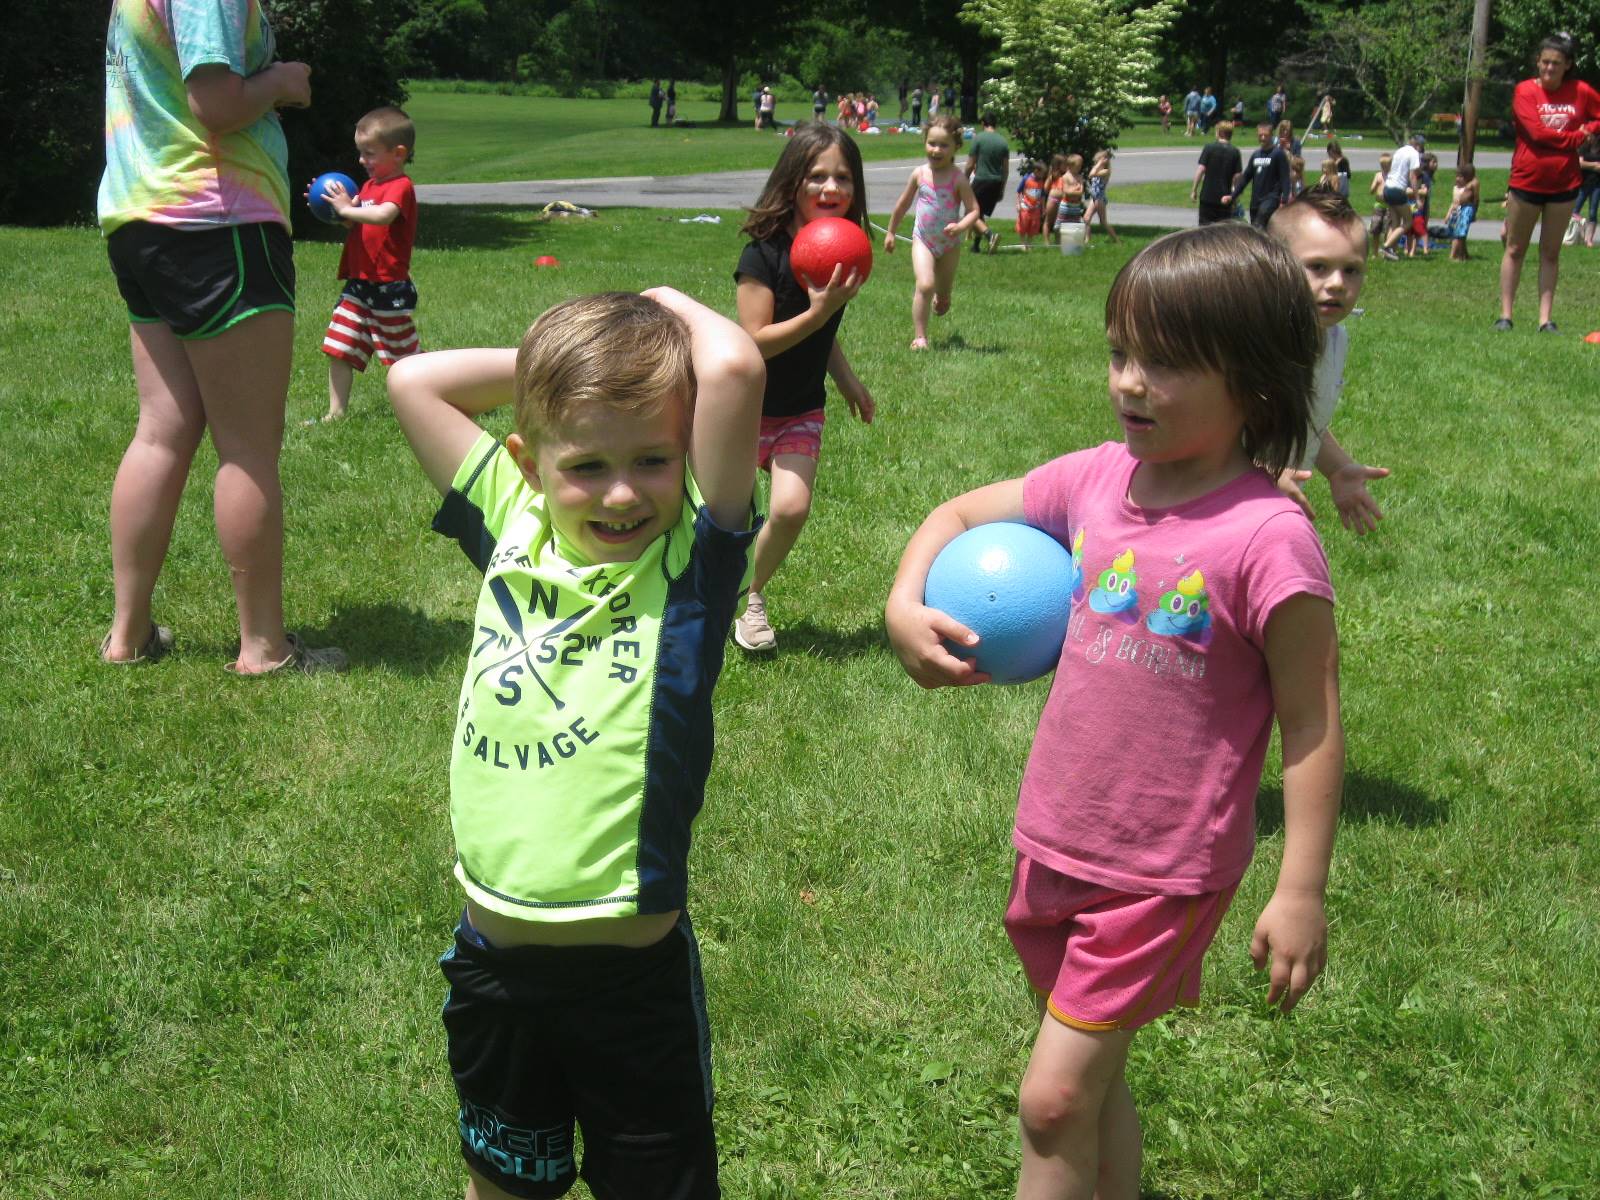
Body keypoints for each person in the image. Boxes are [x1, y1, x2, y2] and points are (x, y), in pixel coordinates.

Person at [885, 222, 1342, 1200]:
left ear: (1254, 384)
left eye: (1166, 363)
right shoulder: (1096, 481)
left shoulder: (1269, 540)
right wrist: (902, 602)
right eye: (1120, 352)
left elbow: (1309, 722)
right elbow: (957, 516)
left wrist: (1298, 888)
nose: (1130, 381)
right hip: (1053, 839)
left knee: (1051, 1101)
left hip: (1160, 869)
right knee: (1088, 1086)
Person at [386, 287, 762, 1200]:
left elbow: (737, 367)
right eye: (587, 462)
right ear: (528, 458)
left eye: (654, 459)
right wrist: (562, 369)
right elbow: (412, 380)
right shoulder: (513, 521)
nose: (624, 491)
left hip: (629, 989)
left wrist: (656, 306)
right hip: (494, 967)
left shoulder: (687, 567)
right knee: (503, 1183)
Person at [98, 0, 345, 674]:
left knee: (161, 429)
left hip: (141, 213)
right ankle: (265, 648)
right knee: (248, 447)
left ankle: (128, 636)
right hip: (217, 221)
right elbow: (215, 101)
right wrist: (284, 82)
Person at [732, 125, 874, 652]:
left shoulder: (840, 254)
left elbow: (824, 336)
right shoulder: (762, 256)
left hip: (799, 409)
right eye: (817, 176)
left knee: (790, 509)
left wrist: (848, 381)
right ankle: (704, 590)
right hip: (742, 409)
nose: (830, 187)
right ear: (793, 181)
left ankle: (749, 595)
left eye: (842, 177)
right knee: (727, 522)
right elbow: (756, 343)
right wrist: (818, 313)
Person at [1269, 189, 1391, 536]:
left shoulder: (1334, 339)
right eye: (1318, 267)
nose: (1337, 284)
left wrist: (1337, 469)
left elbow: (1307, 420)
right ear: (1275, 264)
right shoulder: (1258, 339)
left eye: (1352, 270)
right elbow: (1211, 425)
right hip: (1216, 505)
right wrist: (1261, 472)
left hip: (1269, 508)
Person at [312, 106, 420, 423]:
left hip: (389, 287)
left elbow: (383, 216)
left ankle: (440, 391)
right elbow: (359, 224)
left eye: (369, 153)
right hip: (359, 283)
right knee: (339, 345)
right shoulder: (368, 188)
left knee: (404, 360)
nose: (362, 160)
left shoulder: (400, 186)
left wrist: (348, 209)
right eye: (361, 153)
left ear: (398, 153)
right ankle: (336, 413)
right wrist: (333, 210)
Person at [1497, 33, 1600, 332]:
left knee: (1550, 252)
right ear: (1537, 62)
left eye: (1556, 63)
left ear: (1567, 65)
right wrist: (1577, 138)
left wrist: (1591, 127)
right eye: (1544, 62)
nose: (1549, 69)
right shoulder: (1525, 92)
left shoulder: (1580, 91)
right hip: (1526, 181)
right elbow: (1538, 134)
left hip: (1564, 184)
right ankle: (1506, 315)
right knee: (1515, 249)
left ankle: (1545, 319)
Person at [886, 114, 983, 348]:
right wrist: (891, 232)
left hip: (950, 244)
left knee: (942, 291)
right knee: (925, 284)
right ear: (924, 142)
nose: (936, 150)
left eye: (943, 145)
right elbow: (903, 204)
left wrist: (961, 225)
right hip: (924, 239)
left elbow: (974, 210)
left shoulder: (958, 179)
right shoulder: (919, 174)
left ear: (955, 147)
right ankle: (920, 337)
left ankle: (944, 295)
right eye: (932, 143)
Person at [964, 110, 1010, 253]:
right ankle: (976, 246)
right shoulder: (1003, 142)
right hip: (996, 183)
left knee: (970, 213)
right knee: (980, 213)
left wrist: (964, 179)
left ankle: (990, 235)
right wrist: (1002, 189)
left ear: (983, 123)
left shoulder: (978, 138)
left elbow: (970, 164)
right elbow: (1006, 170)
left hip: (981, 180)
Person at [1235, 123, 1290, 229]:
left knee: (1260, 225)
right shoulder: (1256, 155)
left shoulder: (1278, 154)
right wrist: (1233, 195)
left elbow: (1285, 178)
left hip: (1271, 198)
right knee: (1255, 229)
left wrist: (1284, 199)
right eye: (1260, 135)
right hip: (1256, 199)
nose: (1263, 138)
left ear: (1271, 136)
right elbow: (1246, 177)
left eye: (1266, 135)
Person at [1378, 133, 1424, 259]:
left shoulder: (1399, 151)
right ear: (1417, 145)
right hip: (1398, 190)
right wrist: (1418, 198)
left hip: (1388, 187)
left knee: (1395, 223)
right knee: (1408, 221)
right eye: (1421, 146)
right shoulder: (1414, 154)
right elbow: (1413, 177)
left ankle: (1390, 252)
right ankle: (1387, 246)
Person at [1191, 120, 1241, 225]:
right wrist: (1235, 196)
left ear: (1220, 133)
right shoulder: (1235, 152)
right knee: (1222, 230)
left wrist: (1194, 189)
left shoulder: (1209, 148)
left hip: (1208, 195)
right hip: (1225, 197)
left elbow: (1201, 169)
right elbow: (1237, 177)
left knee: (1205, 229)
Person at [1045, 153, 1087, 243]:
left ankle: (1074, 242)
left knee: (1075, 223)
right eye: (1078, 166)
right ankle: (1052, 241)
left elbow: (1081, 192)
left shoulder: (1077, 176)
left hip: (1072, 204)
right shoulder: (1060, 176)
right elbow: (1066, 192)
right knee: (1054, 223)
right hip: (1060, 202)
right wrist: (1075, 189)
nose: (1080, 168)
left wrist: (1073, 191)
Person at [1010, 158, 1048, 250]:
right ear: (1036, 171)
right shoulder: (1026, 178)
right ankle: (1023, 243)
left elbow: (1042, 196)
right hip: (1025, 207)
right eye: (1042, 173)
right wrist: (1018, 204)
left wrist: (1043, 208)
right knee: (1023, 225)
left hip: (1036, 209)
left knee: (1034, 226)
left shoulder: (1041, 181)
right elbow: (1018, 192)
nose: (1043, 175)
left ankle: (1029, 242)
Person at [1083, 149, 1119, 246]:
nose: (1097, 162)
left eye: (1100, 159)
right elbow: (1092, 173)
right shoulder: (1097, 169)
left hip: (1100, 198)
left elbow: (1091, 175)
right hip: (1094, 198)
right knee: (1086, 218)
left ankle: (1117, 240)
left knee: (1103, 222)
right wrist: (1098, 164)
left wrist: (1099, 164)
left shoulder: (1106, 171)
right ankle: (1087, 239)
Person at [1445, 164, 1481, 262]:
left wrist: (1474, 211)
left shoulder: (1474, 183)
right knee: (1459, 231)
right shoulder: (1468, 182)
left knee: (1461, 233)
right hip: (1462, 207)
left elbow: (1476, 198)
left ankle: (1460, 256)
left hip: (1468, 208)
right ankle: (1464, 254)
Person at [1367, 152, 1393, 252]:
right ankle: (1375, 252)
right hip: (1378, 205)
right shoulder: (1378, 175)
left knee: (1387, 229)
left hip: (1389, 206)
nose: (1384, 168)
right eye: (1382, 166)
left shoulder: (1392, 176)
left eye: (1387, 166)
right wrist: (1375, 185)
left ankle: (1385, 249)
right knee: (1375, 229)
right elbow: (1371, 190)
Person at [1578, 132, 1600, 246]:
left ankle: (1589, 240)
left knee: (1593, 212)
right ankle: (1581, 233)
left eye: (1591, 135)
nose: (1589, 137)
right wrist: (1595, 165)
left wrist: (1590, 165)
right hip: (1583, 184)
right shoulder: (1584, 147)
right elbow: (1579, 163)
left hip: (1597, 185)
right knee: (1574, 211)